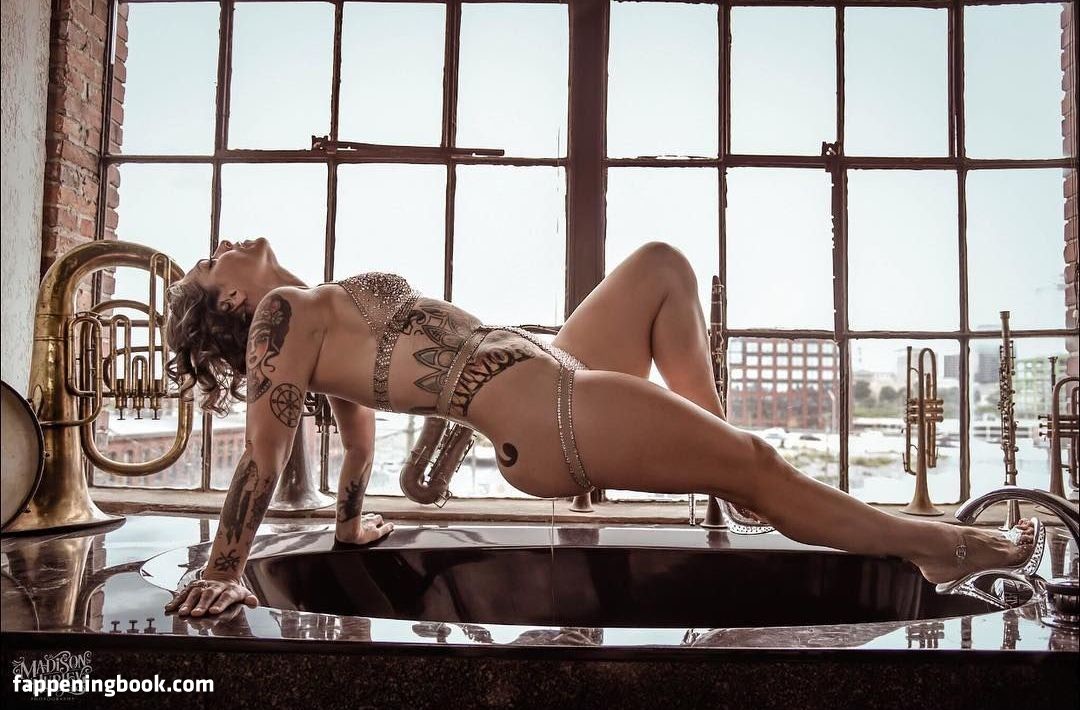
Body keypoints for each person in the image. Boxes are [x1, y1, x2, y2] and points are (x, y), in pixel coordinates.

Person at [162, 237, 1040, 619]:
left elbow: (356, 446)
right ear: (233, 301)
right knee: (760, 464)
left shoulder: (316, 316)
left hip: (552, 366)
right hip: (542, 412)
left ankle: (717, 463)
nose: (223, 243)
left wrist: (353, 525)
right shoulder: (279, 316)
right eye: (210, 261)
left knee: (660, 267)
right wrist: (224, 570)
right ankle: (938, 546)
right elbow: (265, 452)